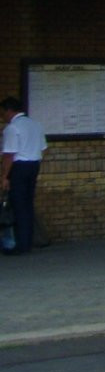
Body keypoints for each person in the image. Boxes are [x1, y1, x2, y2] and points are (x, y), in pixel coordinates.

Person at [1, 96, 46, 257]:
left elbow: (8, 155)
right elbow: (42, 148)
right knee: (27, 203)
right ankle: (27, 241)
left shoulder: (12, 128)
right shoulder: (36, 124)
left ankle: (19, 244)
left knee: (17, 205)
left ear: (9, 110)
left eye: (3, 112)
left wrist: (5, 177)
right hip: (34, 165)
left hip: (19, 167)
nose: (2, 116)